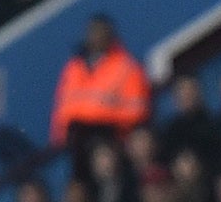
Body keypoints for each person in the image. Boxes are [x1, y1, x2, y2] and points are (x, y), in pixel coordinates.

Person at [50, 14, 151, 153]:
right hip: (76, 142)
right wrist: (59, 139)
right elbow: (62, 109)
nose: (96, 37)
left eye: (100, 32)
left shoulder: (127, 67)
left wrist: (102, 119)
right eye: (92, 31)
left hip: (112, 140)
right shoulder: (73, 67)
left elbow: (138, 109)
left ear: (110, 35)